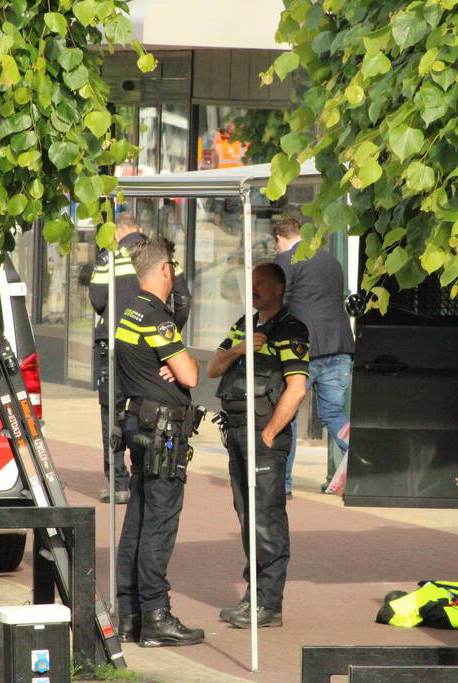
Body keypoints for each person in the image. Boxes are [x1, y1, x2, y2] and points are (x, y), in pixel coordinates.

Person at [113, 236, 204, 647]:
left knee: (137, 519)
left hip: (140, 423)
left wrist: (167, 362)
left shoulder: (130, 312)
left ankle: (130, 613)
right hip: (165, 431)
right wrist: (182, 361)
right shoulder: (157, 317)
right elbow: (190, 376)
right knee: (158, 524)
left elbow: (158, 363)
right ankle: (156, 616)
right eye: (174, 270)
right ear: (165, 270)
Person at [208, 263, 309, 628]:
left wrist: (268, 435)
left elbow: (297, 387)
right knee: (247, 516)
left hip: (263, 435)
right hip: (235, 432)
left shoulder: (291, 330)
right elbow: (213, 369)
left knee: (266, 519)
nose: (254, 290)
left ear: (279, 289)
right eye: (251, 284)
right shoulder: (243, 324)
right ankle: (253, 597)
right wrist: (240, 349)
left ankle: (268, 604)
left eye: (261, 284)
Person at [89, 212, 191, 503]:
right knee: (151, 407)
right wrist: (169, 336)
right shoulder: (162, 256)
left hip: (114, 344)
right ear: (139, 229)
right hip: (153, 346)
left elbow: (97, 300)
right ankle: (147, 473)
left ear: (116, 233)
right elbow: (183, 298)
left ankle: (118, 483)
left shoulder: (108, 257)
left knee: (112, 413)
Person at [272, 217, 354, 494]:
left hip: (302, 350)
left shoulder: (286, 258)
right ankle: (361, 455)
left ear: (280, 238)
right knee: (333, 412)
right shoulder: (331, 260)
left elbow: (276, 302)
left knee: (288, 412)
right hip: (339, 344)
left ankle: (282, 484)